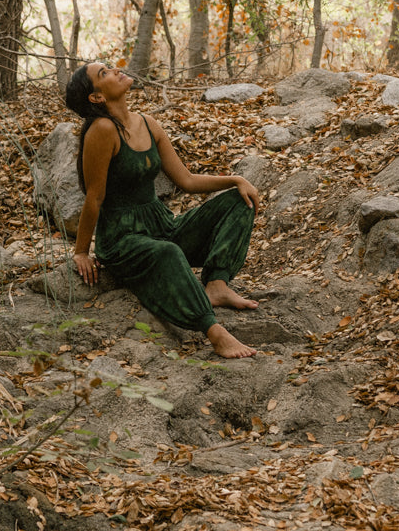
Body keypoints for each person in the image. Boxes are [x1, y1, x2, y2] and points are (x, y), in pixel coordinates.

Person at [64, 61, 260, 359]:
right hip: (122, 240)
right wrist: (81, 252)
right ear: (97, 97)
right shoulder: (102, 130)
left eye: (110, 67)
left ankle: (217, 284)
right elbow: (94, 197)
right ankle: (214, 331)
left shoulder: (148, 123)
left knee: (238, 200)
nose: (115, 70)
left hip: (161, 225)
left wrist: (236, 180)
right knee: (168, 252)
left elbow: (186, 180)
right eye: (104, 73)